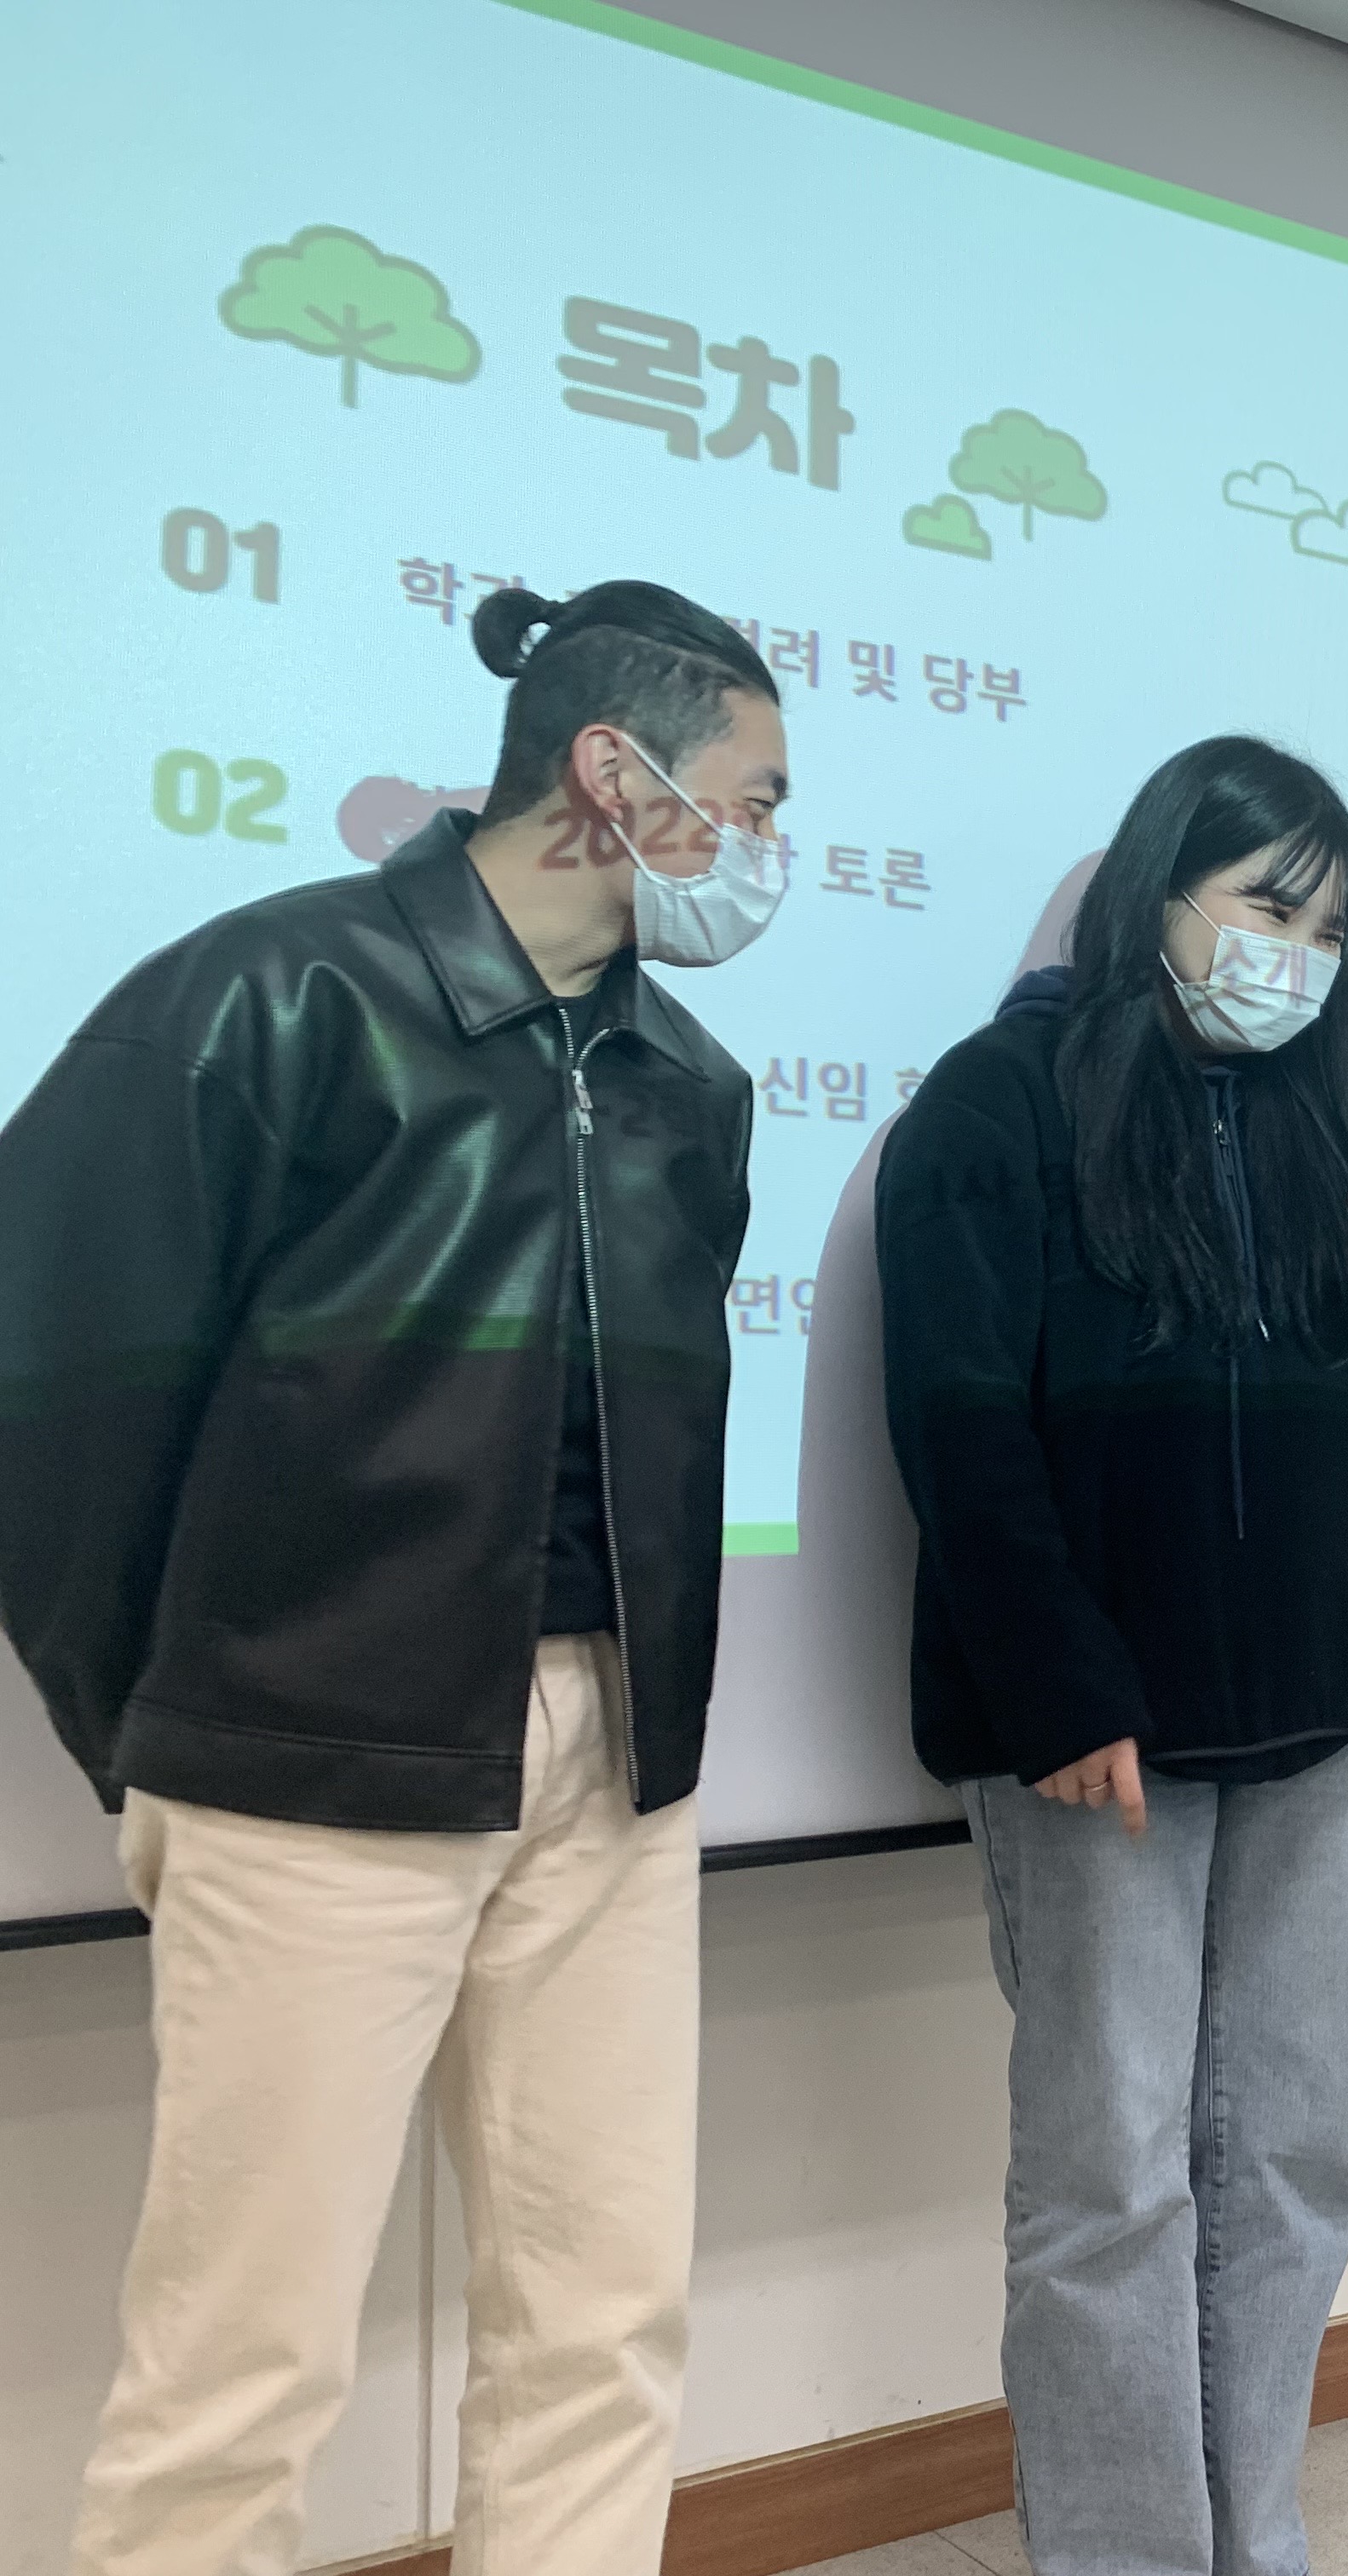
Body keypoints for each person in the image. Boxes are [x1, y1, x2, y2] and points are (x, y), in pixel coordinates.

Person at [0, 581, 788, 2573]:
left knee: (602, 2325)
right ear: (613, 775)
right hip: (307, 1758)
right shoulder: (264, 1000)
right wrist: (177, 1729)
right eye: (756, 798)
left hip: (614, 1769)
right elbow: (47, 1394)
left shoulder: (688, 1083)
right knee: (239, 2372)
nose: (771, 848)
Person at [876, 737, 1348, 2574]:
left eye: (1332, 926)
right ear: (1157, 891)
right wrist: (1060, 1685)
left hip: (1316, 1715)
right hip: (1100, 1738)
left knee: (1293, 2162)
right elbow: (960, 1423)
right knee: (1110, 2180)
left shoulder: (1327, 1124)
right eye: (1266, 906)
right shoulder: (1000, 1101)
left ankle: (1258, 2538)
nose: (1297, 953)